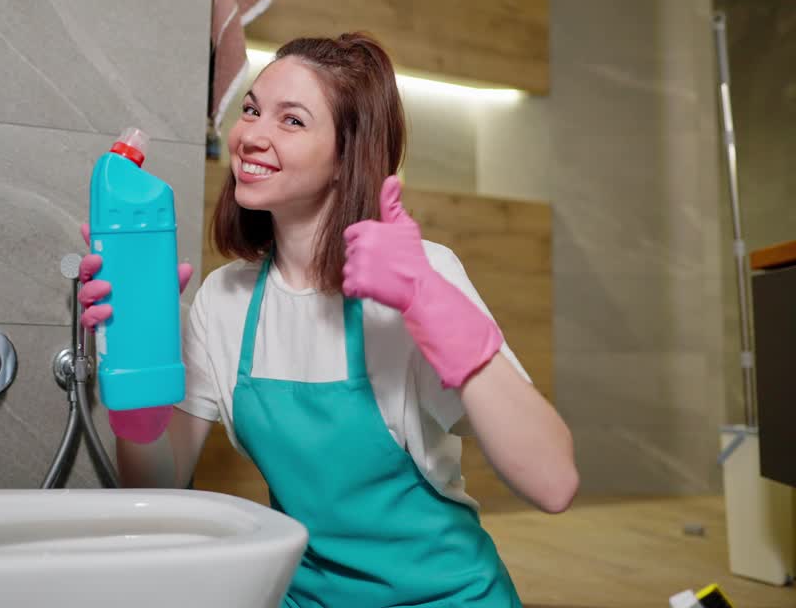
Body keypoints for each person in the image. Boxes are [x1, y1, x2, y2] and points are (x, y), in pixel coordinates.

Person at [78, 32, 577, 607]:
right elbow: (156, 493)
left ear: (346, 158)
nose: (252, 136)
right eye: (251, 109)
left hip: (444, 597)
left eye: (292, 121)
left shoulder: (419, 277)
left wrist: (433, 307)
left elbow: (554, 481)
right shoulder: (225, 300)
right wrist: (140, 363)